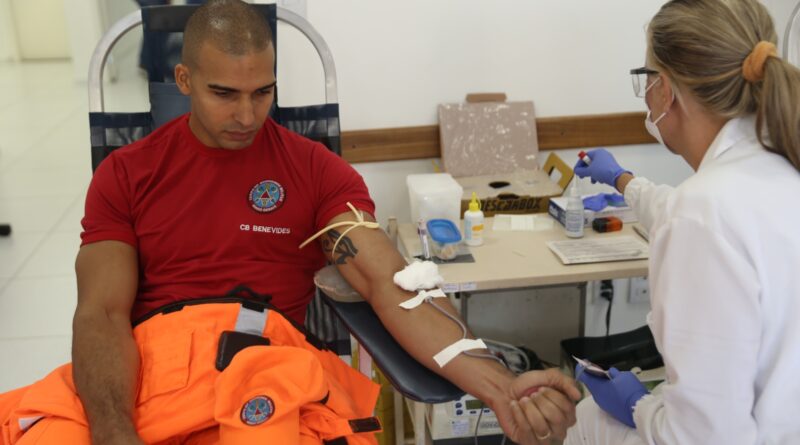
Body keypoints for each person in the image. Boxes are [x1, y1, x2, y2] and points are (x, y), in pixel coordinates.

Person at [0, 1, 580, 444]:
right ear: (182, 82)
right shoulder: (126, 174)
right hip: (153, 368)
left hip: (261, 365)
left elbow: (390, 285)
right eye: (223, 93)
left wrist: (498, 384)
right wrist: (115, 433)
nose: (247, 115)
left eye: (263, 92)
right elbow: (99, 313)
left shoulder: (317, 174)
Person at [567, 0, 800, 444]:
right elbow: (690, 214)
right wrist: (623, 180)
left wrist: (639, 406)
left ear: (665, 89)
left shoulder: (701, 212)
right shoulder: (777, 166)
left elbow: (701, 437)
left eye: (646, 77)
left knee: (586, 422)